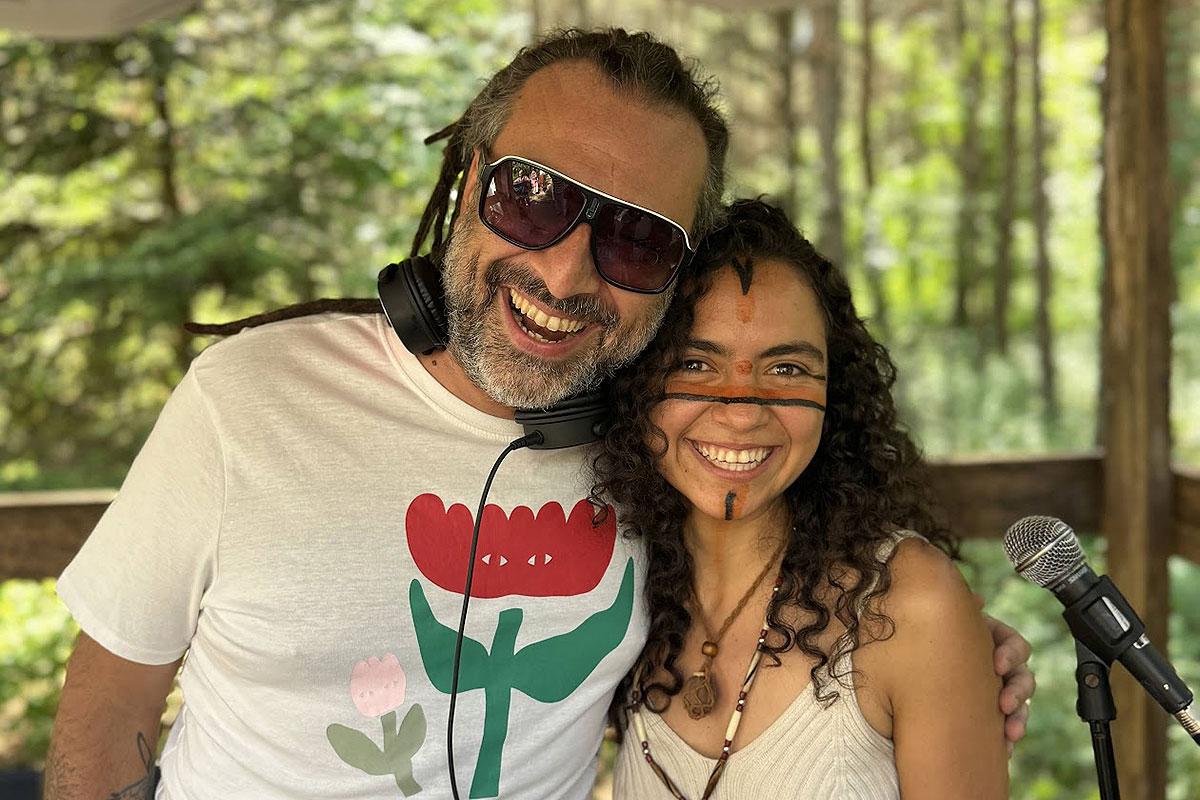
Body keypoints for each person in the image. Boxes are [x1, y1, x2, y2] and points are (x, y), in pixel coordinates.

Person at [46, 29, 1032, 800]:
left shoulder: (653, 458)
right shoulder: (245, 395)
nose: (564, 272)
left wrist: (936, 652)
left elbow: (770, 606)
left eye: (638, 242)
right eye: (532, 197)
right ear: (470, 177)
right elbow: (108, 701)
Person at [595, 198, 1009, 799]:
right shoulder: (605, 590)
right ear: (635, 382)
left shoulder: (905, 606)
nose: (742, 412)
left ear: (834, 394)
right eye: (695, 363)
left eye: (786, 369)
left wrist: (957, 646)